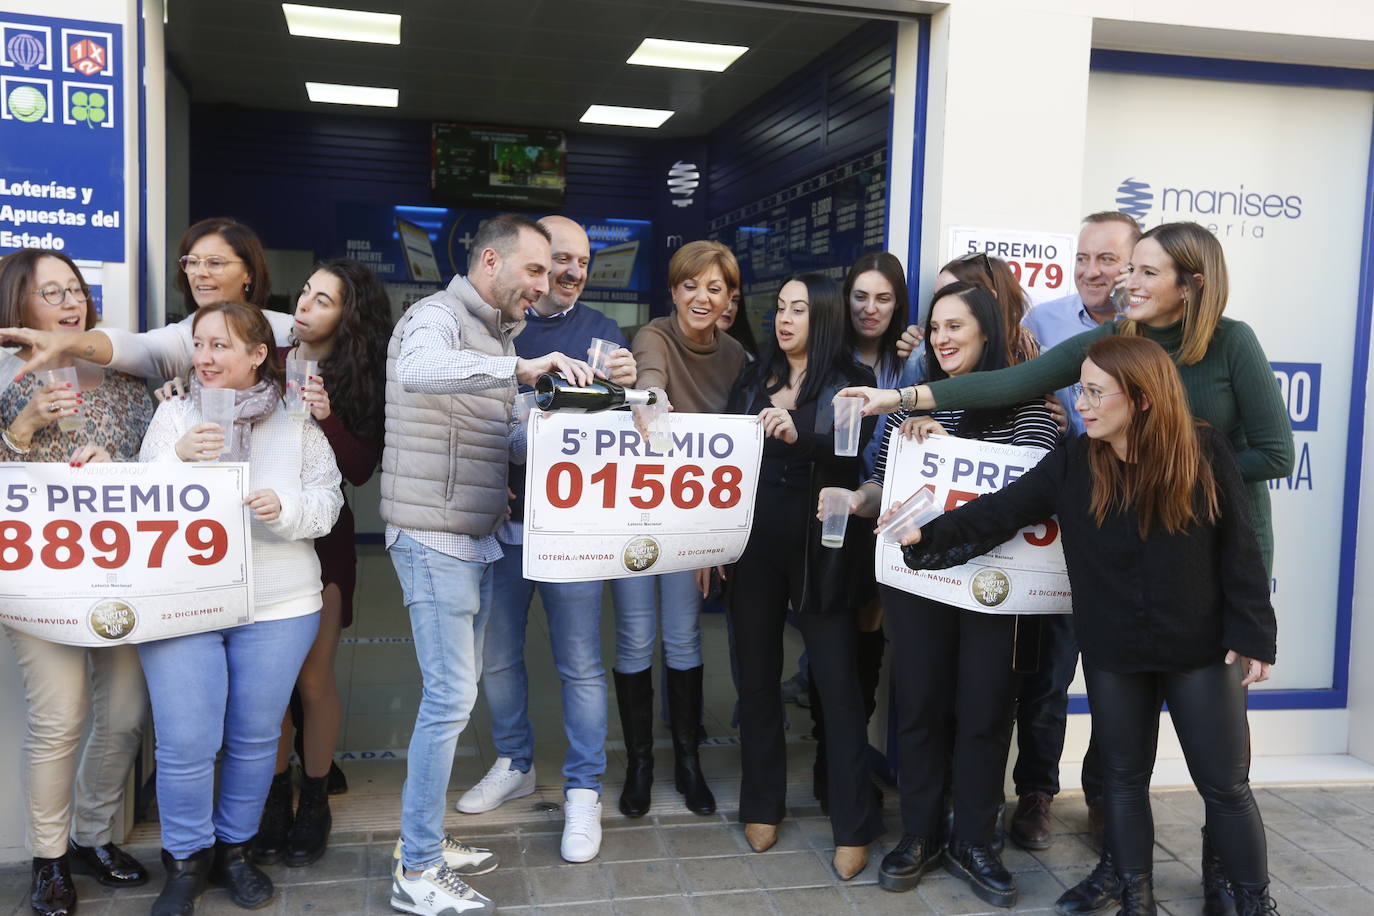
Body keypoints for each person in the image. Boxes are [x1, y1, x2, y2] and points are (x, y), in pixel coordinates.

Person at [839, 222, 1294, 911]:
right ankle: (1126, 884)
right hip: (1118, 606)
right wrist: (907, 466)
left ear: (1191, 282)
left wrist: (1177, 468)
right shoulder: (1089, 410)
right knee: (1121, 769)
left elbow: (1262, 489)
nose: (1124, 282)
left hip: (1205, 595)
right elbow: (1004, 421)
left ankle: (1234, 889)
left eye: (1143, 271)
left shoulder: (1221, 392)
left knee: (1222, 776)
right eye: (1123, 269)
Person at [897, 335, 1279, 916]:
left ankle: (1255, 903)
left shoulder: (1203, 450)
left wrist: (1252, 632)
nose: (1083, 405)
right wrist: (931, 534)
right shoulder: (1078, 459)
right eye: (1082, 390)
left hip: (1201, 650)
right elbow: (1003, 509)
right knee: (1123, 784)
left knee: (1225, 787)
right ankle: (1135, 898)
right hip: (1114, 650)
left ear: (1143, 400)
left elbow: (1240, 550)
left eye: (1097, 393)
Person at [381, 213, 593, 916]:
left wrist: (566, 420)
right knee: (448, 703)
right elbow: (416, 372)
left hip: (472, 535)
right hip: (432, 537)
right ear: (491, 263)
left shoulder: (499, 336)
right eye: (534, 270)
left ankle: (425, 840)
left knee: (452, 698)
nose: (546, 283)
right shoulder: (433, 317)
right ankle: (417, 867)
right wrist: (518, 367)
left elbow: (502, 437)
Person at [830, 281, 1058, 905]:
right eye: (935, 329)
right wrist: (858, 501)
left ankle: (976, 840)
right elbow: (881, 486)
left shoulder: (1030, 405)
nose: (942, 339)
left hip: (995, 590)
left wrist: (951, 448)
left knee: (987, 713)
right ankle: (922, 835)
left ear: (987, 330)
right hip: (920, 585)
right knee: (921, 708)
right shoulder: (908, 407)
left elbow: (1035, 494)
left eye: (956, 326)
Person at [137, 301, 343, 915]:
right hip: (184, 599)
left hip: (280, 601)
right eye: (198, 345)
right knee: (184, 740)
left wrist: (284, 509)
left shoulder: (295, 414)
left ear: (259, 354)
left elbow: (328, 500)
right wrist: (180, 461)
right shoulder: (174, 412)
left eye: (221, 346)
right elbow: (140, 501)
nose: (204, 357)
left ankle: (235, 853)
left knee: (255, 737)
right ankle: (185, 860)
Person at [455, 216, 637, 864]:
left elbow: (633, 430)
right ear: (530, 261)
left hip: (574, 532)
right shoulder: (492, 327)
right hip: (501, 527)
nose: (572, 270)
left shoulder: (606, 336)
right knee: (498, 657)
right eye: (559, 258)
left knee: (581, 665)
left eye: (583, 261)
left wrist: (630, 384)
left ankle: (584, 790)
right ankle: (516, 763)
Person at [0, 250, 155, 916]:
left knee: (122, 715)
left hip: (119, 575)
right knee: (59, 717)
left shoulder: (122, 376)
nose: (69, 303)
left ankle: (94, 837)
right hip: (38, 580)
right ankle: (49, 860)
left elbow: (159, 461)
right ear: (19, 308)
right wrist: (20, 429)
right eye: (49, 293)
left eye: (75, 290)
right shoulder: (6, 380)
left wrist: (116, 463)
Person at [723, 273, 883, 880]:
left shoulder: (853, 381)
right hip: (753, 540)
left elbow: (848, 456)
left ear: (823, 317)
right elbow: (727, 452)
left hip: (826, 544)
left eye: (799, 310)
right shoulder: (753, 375)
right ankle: (762, 802)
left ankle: (853, 822)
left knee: (837, 684)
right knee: (756, 676)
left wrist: (799, 436)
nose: (785, 320)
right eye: (780, 309)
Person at [244, 259, 392, 869]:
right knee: (270, 686)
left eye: (323, 299)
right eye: (305, 291)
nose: (304, 304)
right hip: (256, 535)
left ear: (347, 315)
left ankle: (316, 793)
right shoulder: (266, 354)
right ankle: (274, 797)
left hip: (325, 542)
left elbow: (359, 470)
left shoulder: (363, 376)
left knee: (312, 676)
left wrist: (327, 414)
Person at [1004, 211, 1141, 854]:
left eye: (1107, 260)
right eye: (1083, 257)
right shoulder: (1043, 324)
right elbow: (1007, 390)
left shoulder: (1151, 335)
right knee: (1048, 672)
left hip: (1134, 528)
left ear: (1136, 267)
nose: (1091, 271)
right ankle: (1036, 795)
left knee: (1119, 675)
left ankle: (1104, 798)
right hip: (1056, 524)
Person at [618, 240, 747, 819]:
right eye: (690, 286)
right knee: (636, 637)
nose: (701, 297)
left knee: (684, 636)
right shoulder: (655, 336)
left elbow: (736, 455)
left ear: (728, 299)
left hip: (693, 519)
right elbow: (649, 385)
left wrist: (711, 537)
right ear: (674, 291)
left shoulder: (738, 357)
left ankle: (689, 763)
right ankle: (640, 765)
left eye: (714, 288)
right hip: (637, 512)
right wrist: (649, 404)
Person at [0, 217, 295, 381]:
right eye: (192, 262)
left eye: (215, 263)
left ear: (249, 274)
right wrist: (64, 341)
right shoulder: (184, 335)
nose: (199, 273)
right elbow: (138, 348)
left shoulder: (286, 330)